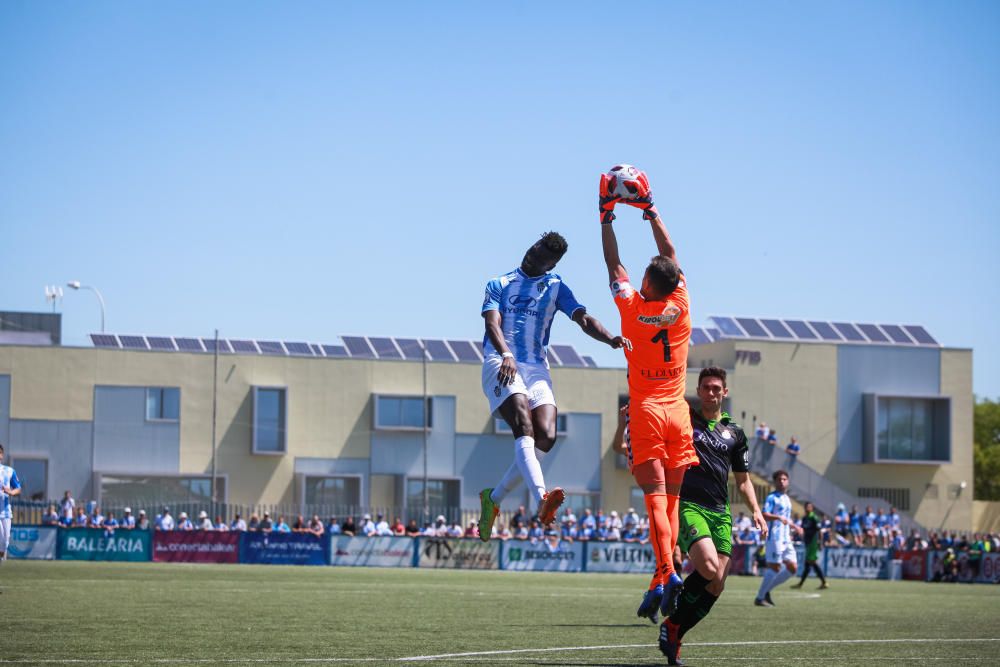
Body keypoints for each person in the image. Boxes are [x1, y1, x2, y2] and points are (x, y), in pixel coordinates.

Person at [477, 231, 628, 540]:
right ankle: (542, 498)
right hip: (500, 360)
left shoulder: (555, 286)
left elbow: (583, 319)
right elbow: (492, 324)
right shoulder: (499, 284)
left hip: (536, 367)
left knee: (546, 435)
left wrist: (610, 338)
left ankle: (492, 500)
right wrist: (506, 354)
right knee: (524, 425)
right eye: (531, 250)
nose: (529, 257)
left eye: (538, 258)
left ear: (551, 264)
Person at [599, 169, 698, 620]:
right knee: (673, 501)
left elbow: (612, 266)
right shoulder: (680, 306)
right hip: (680, 411)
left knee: (655, 500)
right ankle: (663, 575)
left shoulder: (631, 307)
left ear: (646, 284)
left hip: (647, 412)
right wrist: (650, 209)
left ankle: (666, 570)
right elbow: (670, 254)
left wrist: (607, 216)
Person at [658, 368, 767, 664]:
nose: (710, 392)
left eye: (716, 388)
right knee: (707, 567)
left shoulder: (736, 434)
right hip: (690, 506)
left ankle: (674, 630)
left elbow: (743, 481)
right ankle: (675, 600)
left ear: (725, 393)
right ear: (698, 389)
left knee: (717, 583)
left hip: (721, 512)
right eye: (706, 387)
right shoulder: (686, 418)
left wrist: (757, 511)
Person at [754, 470, 803, 607]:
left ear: (788, 481)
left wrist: (795, 526)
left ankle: (766, 590)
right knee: (775, 567)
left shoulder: (787, 499)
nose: (782, 481)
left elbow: (785, 519)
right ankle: (759, 598)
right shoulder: (772, 497)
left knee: (792, 568)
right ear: (775, 482)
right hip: (775, 537)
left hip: (786, 537)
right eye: (779, 479)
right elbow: (764, 514)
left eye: (784, 479)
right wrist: (778, 517)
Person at [791, 501, 828, 590]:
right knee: (808, 564)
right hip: (807, 542)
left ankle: (823, 582)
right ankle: (821, 582)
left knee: (811, 562)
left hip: (813, 542)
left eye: (810, 507)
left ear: (812, 508)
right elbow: (803, 529)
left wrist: (820, 542)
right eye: (806, 506)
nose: (808, 508)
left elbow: (819, 531)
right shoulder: (804, 518)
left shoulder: (814, 517)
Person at [0, 444, 22, 563]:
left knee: (6, 541)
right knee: (1, 538)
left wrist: (11, 492)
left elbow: (18, 488)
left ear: (1, 455)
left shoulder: (9, 471)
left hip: (6, 512)